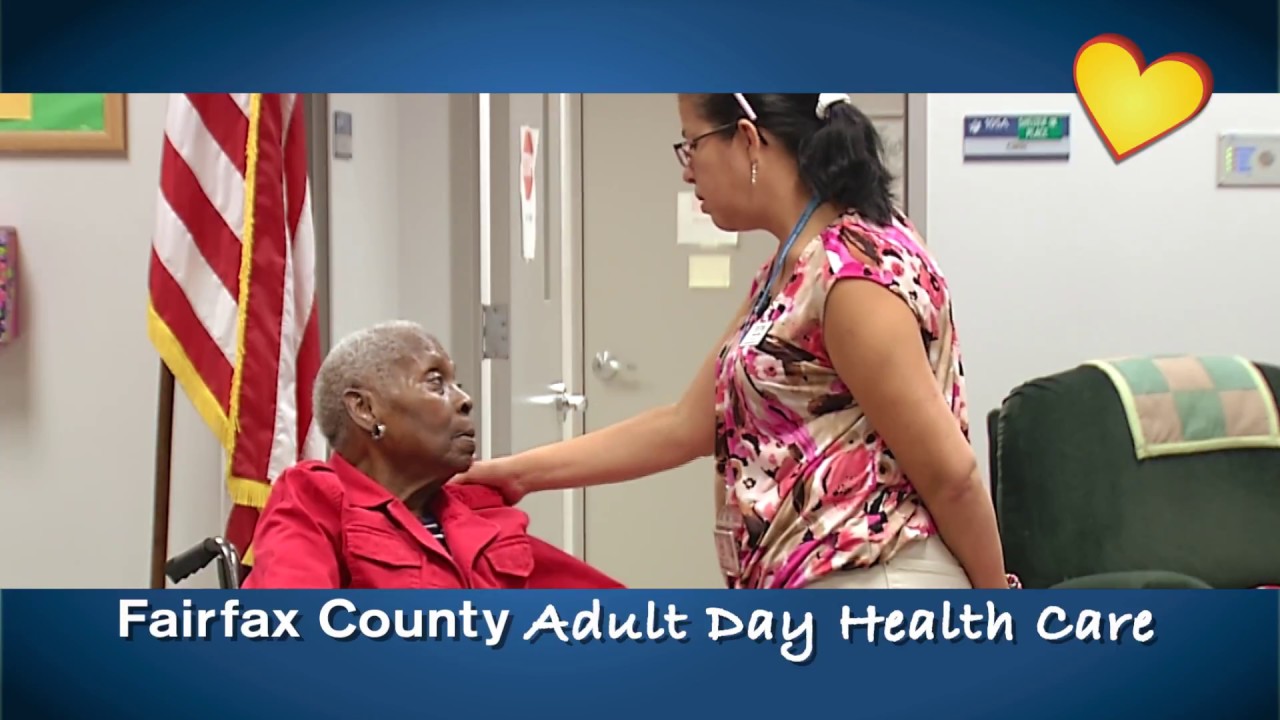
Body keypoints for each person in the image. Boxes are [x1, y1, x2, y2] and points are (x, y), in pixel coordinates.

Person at [456, 93, 1011, 590]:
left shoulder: (849, 276)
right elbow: (684, 425)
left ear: (747, 137)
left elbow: (952, 475)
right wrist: (516, 474)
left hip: (875, 582)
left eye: (692, 144)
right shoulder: (791, 270)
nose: (686, 170)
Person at [242, 320, 623, 590]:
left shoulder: (480, 512)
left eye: (458, 384)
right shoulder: (314, 499)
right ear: (365, 409)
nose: (465, 400)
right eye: (436, 383)